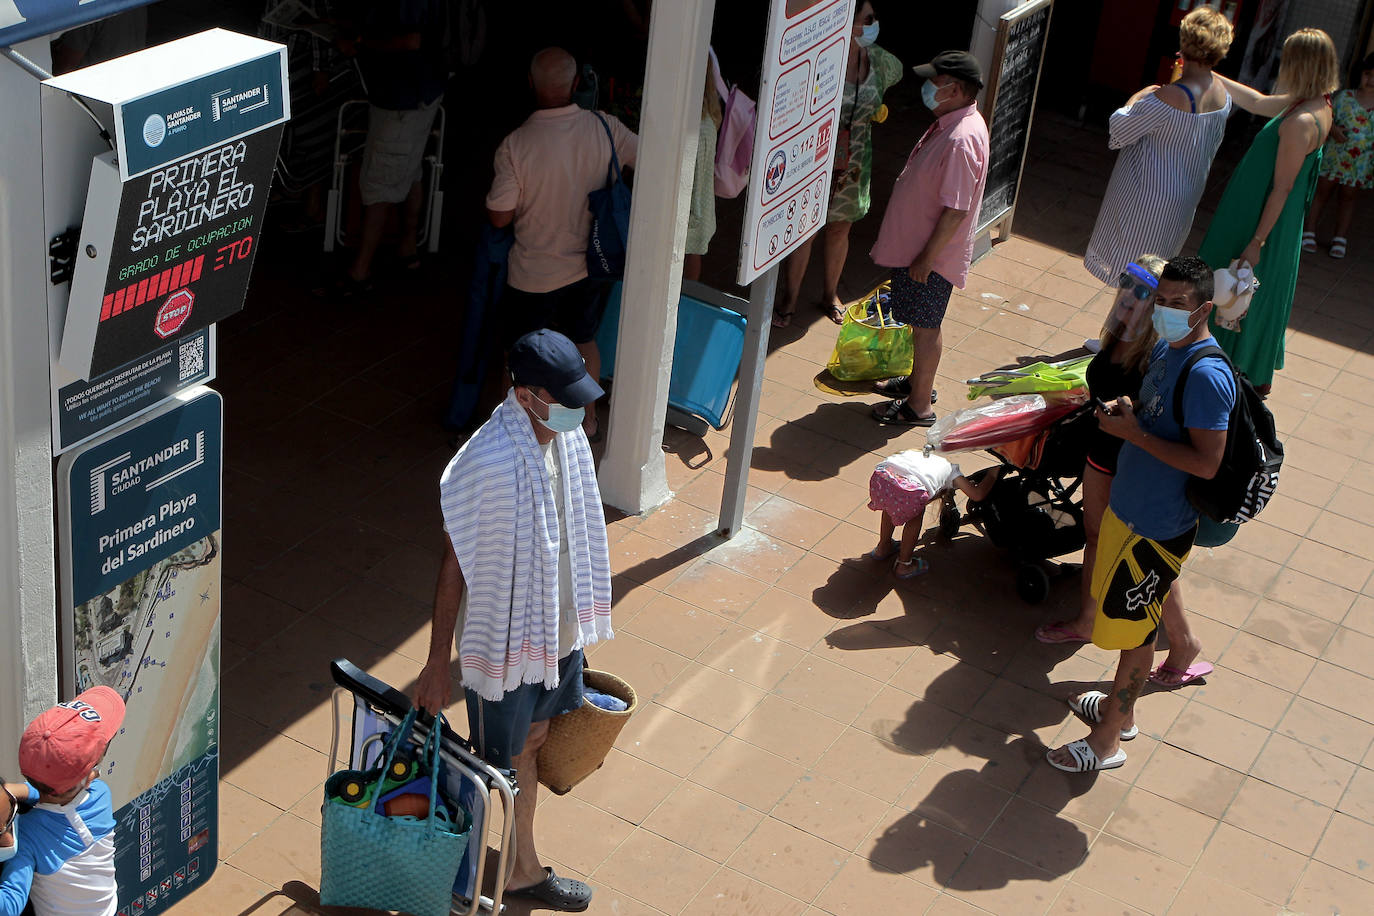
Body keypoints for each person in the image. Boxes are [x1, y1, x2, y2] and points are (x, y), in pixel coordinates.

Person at [414, 329, 614, 913]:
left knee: (532, 741)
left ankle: (521, 868)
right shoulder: (488, 463)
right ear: (525, 395)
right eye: (567, 397)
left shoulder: (565, 441)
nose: (581, 409)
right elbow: (454, 563)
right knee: (490, 766)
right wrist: (435, 663)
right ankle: (461, 881)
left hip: (553, 635)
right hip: (505, 648)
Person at [1048, 257, 1234, 773]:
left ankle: (1107, 741)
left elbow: (1207, 461)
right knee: (1124, 628)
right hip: (1129, 515)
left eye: (1179, 304)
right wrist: (1129, 415)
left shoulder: (1207, 375)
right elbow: (1157, 419)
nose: (1167, 311)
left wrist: (1134, 436)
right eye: (1162, 300)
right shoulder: (1167, 352)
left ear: (1204, 308)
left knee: (1134, 640)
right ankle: (1119, 711)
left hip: (1155, 529)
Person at [488, 47, 638, 439]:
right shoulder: (606, 127)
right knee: (584, 341)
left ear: (530, 85)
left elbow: (500, 215)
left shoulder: (516, 144)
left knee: (519, 353)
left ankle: (517, 428)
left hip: (533, 272)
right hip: (592, 264)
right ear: (576, 85)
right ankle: (588, 423)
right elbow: (650, 160)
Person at [1199, 29, 1339, 396]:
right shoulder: (1316, 103)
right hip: (1269, 222)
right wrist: (1211, 75)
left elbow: (1282, 188)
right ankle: (1232, 371)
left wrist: (1256, 241)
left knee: (1234, 293)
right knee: (1246, 298)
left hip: (1259, 224)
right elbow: (1259, 102)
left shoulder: (1300, 122)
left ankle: (1221, 374)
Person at [1037, 256, 1165, 644]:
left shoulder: (1152, 354)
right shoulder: (1119, 336)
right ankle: (1182, 638)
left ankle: (1087, 623)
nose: (1129, 294)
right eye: (1127, 282)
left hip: (1118, 459)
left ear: (1158, 305)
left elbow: (1147, 410)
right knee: (1144, 548)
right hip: (1108, 451)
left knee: (1105, 541)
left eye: (1143, 291)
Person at [869, 51, 989, 427]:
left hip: (929, 258)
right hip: (918, 251)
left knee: (925, 327)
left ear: (953, 89)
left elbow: (955, 210)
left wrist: (926, 259)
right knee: (919, 323)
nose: (927, 88)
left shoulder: (961, 139)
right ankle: (916, 383)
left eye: (934, 83)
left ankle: (919, 405)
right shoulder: (951, 123)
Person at [774, 1, 902, 327]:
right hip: (815, 158)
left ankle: (829, 293)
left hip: (855, 160)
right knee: (805, 231)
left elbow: (894, 75)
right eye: (867, 18)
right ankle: (788, 299)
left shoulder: (881, 62)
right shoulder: (821, 59)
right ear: (849, 21)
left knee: (840, 228)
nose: (874, 24)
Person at [1083, 8, 1234, 282]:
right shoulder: (1223, 94)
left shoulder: (1169, 97)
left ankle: (1124, 326)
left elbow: (1119, 129)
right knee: (1155, 277)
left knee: (1131, 277)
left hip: (1147, 198)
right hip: (1183, 200)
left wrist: (1137, 96)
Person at [327, 0, 449, 294]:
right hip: (418, 94)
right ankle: (407, 249)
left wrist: (359, 41)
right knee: (410, 168)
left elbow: (410, 40)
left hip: (402, 99)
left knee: (379, 183)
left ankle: (360, 271)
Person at [0, 687, 126, 916]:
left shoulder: (28, 834)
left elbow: (10, 905)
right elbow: (58, 797)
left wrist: (9, 791)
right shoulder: (100, 794)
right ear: (90, 777)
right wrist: (14, 792)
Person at [866, 451, 999, 578]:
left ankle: (883, 547)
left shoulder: (921, 455)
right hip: (910, 490)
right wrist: (993, 474)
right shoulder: (951, 470)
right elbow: (977, 495)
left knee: (891, 503)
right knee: (916, 513)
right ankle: (904, 565)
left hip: (882, 477)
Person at [1303, 53, 1374, 259]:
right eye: (1367, 74)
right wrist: (1333, 130)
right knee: (1321, 192)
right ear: (1359, 74)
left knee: (1349, 197)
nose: (1371, 80)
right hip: (1334, 158)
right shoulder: (1344, 98)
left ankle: (1340, 237)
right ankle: (1308, 230)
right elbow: (1327, 118)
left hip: (1360, 164)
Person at [683, 52, 723, 282]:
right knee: (694, 256)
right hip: (702, 206)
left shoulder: (692, 127)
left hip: (691, 206)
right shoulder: (710, 115)